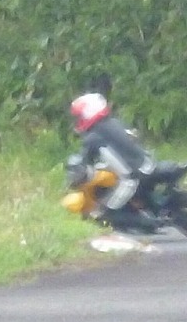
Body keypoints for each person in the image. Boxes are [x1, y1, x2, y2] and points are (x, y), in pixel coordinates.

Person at [69, 91, 161, 233]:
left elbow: (85, 160)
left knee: (106, 214)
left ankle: (149, 224)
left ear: (89, 113)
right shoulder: (115, 123)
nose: (78, 120)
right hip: (147, 165)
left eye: (80, 116)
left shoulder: (93, 137)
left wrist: (76, 175)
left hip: (130, 178)